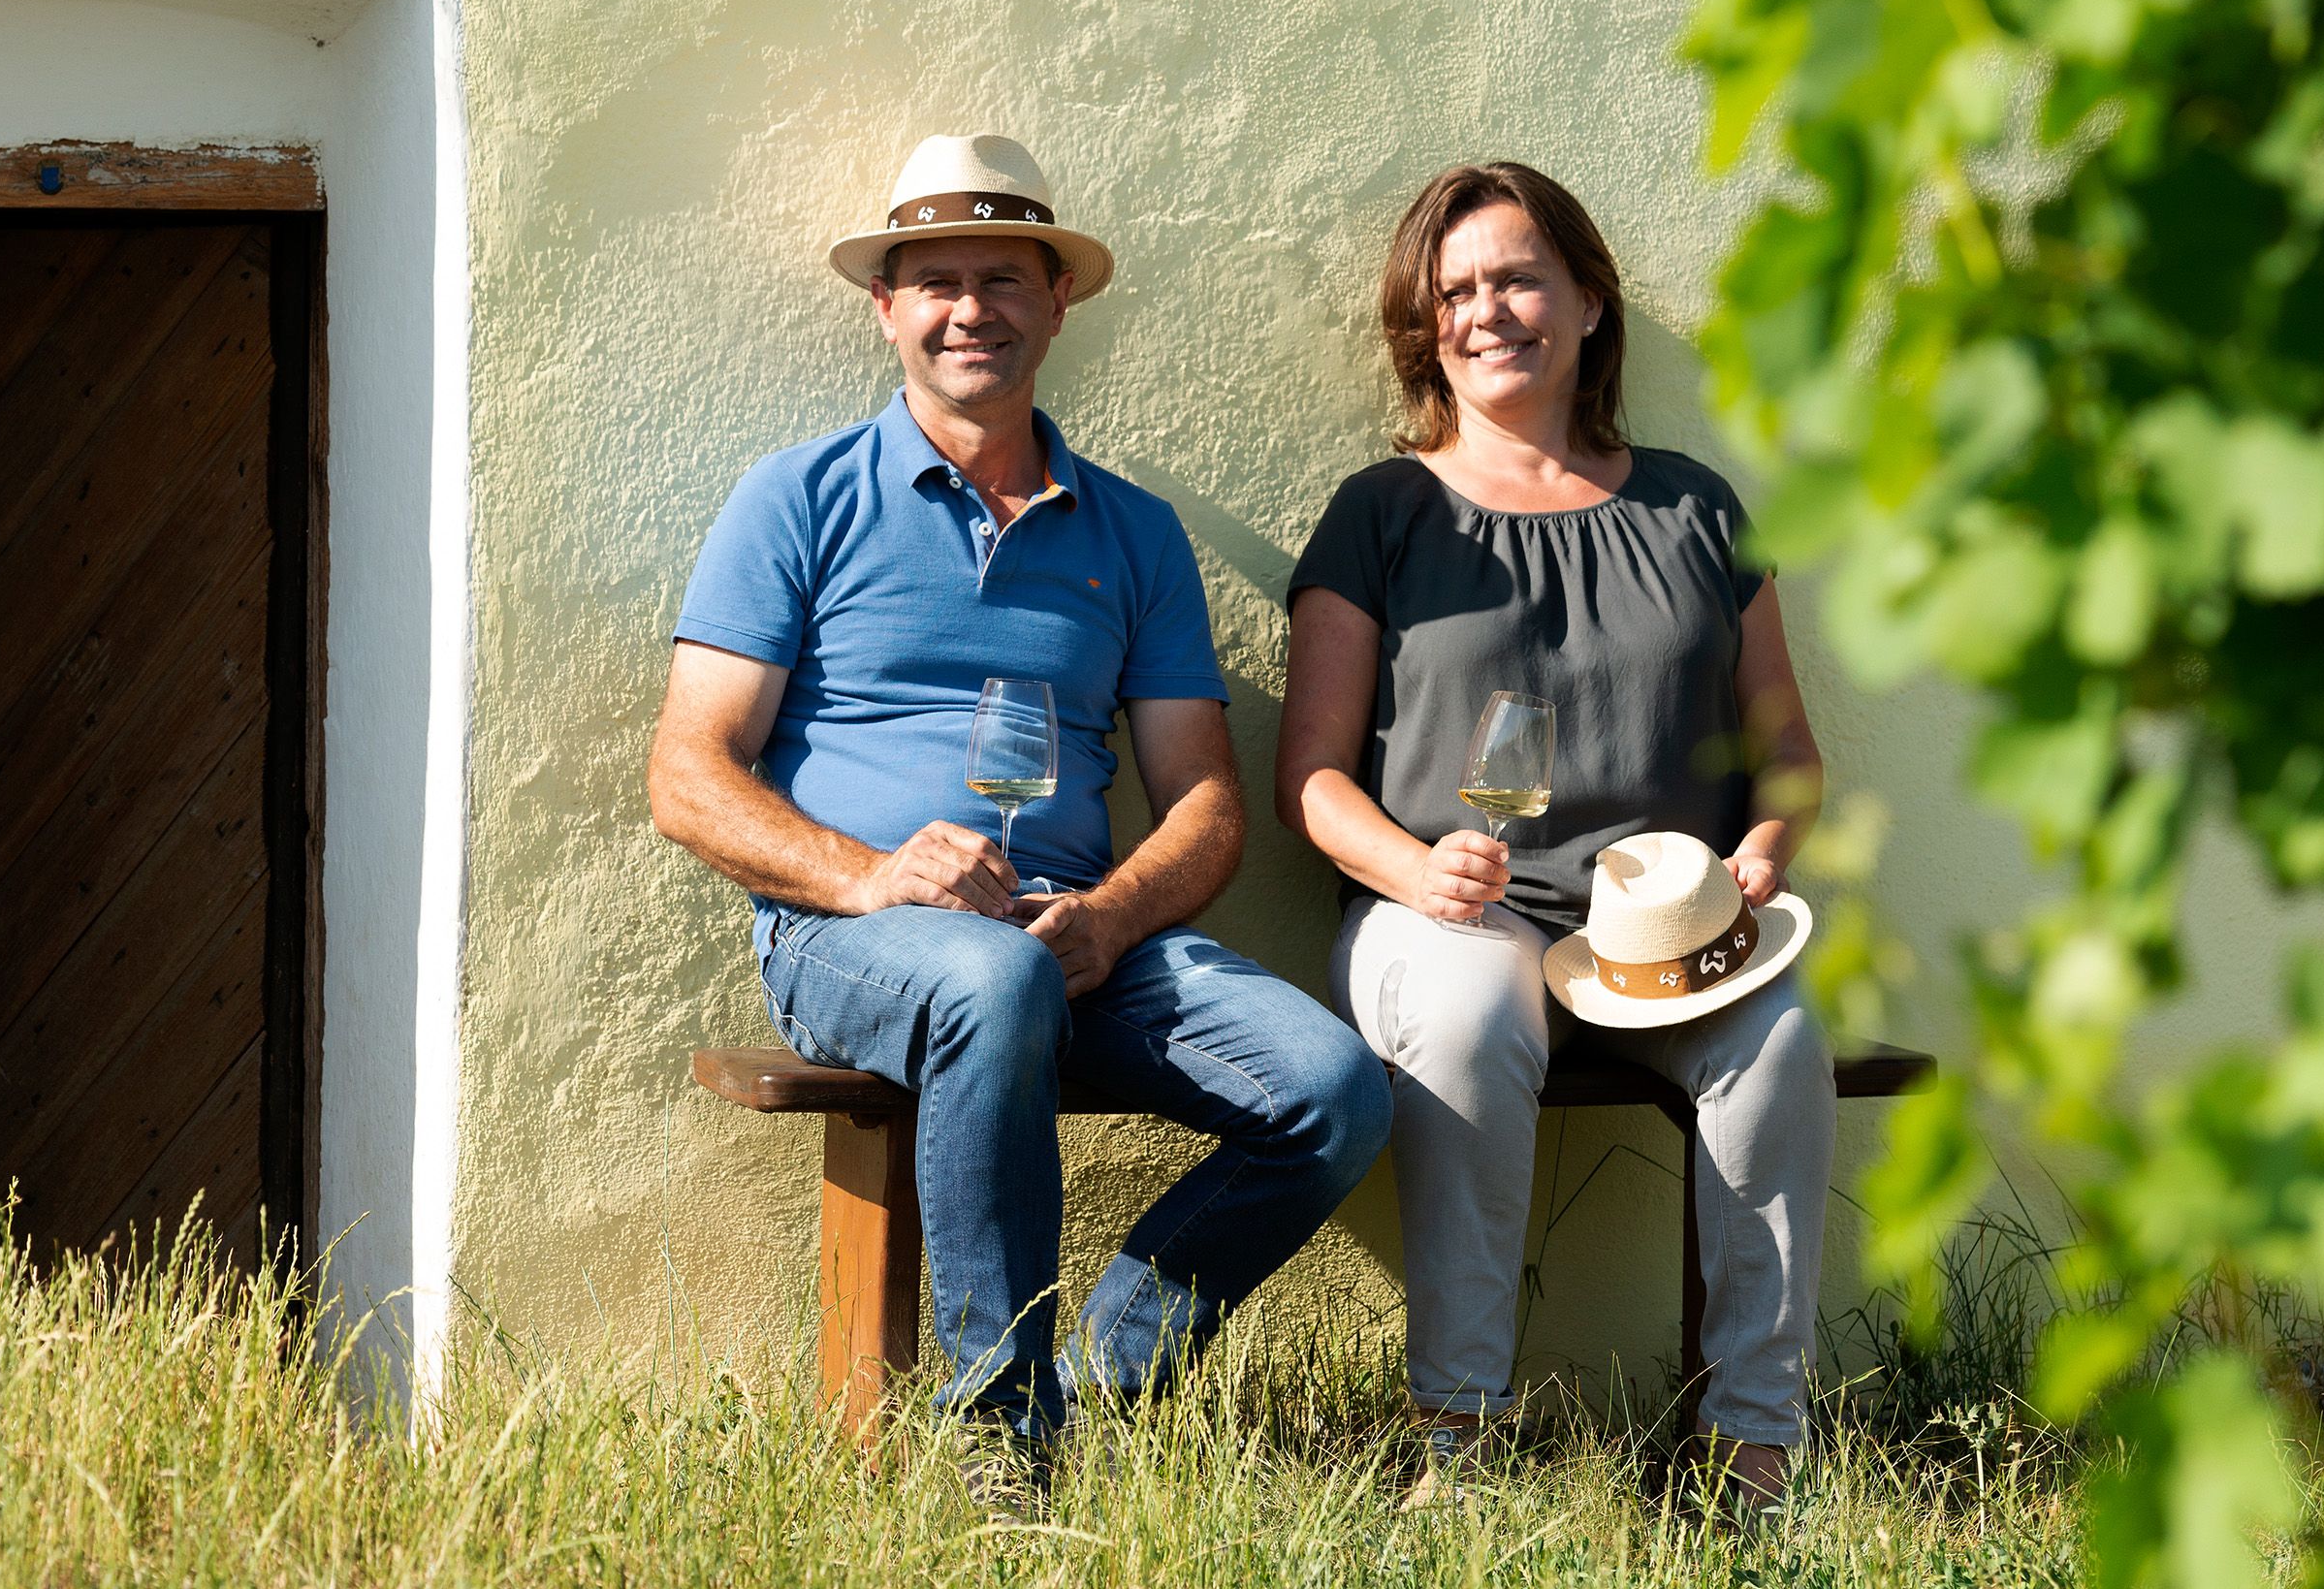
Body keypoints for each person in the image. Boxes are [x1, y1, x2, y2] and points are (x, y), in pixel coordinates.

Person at [651, 133, 1391, 1446]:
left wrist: (1109, 919)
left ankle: (1113, 1364)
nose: (969, 308)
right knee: (990, 984)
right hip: (852, 939)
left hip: (1074, 940)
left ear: (1058, 305)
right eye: (934, 279)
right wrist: (871, 877)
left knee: (1333, 1086)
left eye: (1003, 276)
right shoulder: (798, 499)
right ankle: (1002, 1432)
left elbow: (1206, 800)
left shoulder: (1131, 533)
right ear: (886, 310)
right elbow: (689, 776)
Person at [1276, 159, 1831, 1511]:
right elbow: (1312, 781)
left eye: (1518, 278)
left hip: (1667, 937)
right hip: (1453, 919)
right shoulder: (1381, 515)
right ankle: (1453, 1448)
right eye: (1454, 291)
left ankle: (1756, 1455)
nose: (1488, 312)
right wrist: (1415, 867)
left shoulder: (1699, 507)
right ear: (1427, 328)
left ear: (1588, 300)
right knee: (1470, 1016)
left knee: (1781, 1044)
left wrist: (1765, 851)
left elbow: (1792, 754)